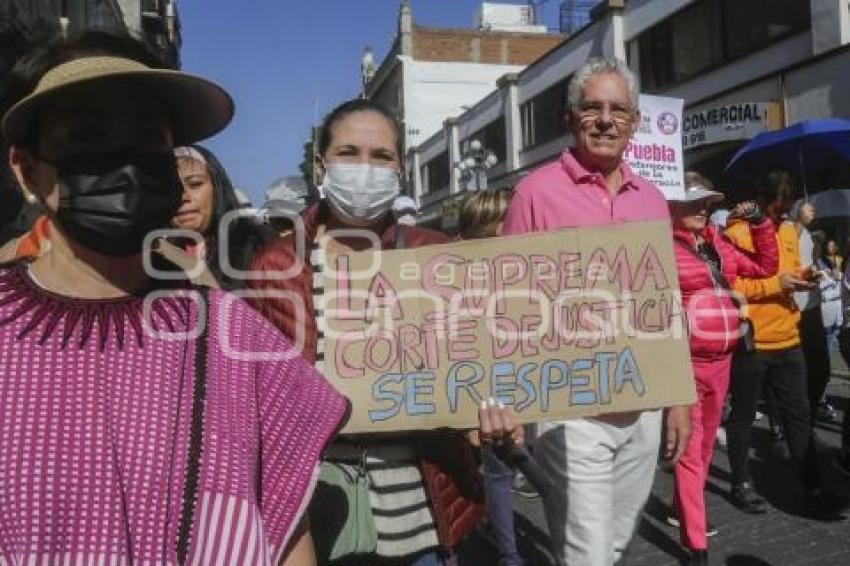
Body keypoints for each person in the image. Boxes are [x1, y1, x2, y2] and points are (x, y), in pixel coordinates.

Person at [0, 33, 348, 565]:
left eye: (147, 139)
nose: (125, 162)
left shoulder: (234, 336)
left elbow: (285, 531)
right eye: (87, 139)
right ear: (26, 170)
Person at [251, 98, 484, 565]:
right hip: (322, 510)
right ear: (321, 163)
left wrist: (489, 414)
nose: (365, 168)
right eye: (348, 153)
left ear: (401, 166)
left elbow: (473, 363)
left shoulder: (436, 254)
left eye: (381, 156)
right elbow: (258, 393)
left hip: (422, 508)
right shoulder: (275, 264)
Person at [500, 57, 691, 566]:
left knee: (613, 543)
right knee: (588, 553)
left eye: (619, 110)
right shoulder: (535, 193)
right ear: (571, 118)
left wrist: (677, 398)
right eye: (593, 107)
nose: (606, 119)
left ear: (634, 123)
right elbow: (505, 303)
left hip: (644, 402)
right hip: (570, 407)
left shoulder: (652, 199)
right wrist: (512, 403)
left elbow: (663, 302)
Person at [667, 173, 778, 565]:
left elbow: (766, 267)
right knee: (689, 450)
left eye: (706, 202)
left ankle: (686, 510)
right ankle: (696, 542)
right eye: (693, 202)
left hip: (723, 361)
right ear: (671, 206)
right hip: (686, 363)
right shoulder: (661, 250)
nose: (702, 208)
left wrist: (761, 224)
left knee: (705, 444)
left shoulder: (720, 243)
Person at [724, 172, 839, 518]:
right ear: (759, 202)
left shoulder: (789, 229)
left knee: (799, 415)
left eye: (787, 211)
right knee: (743, 416)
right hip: (752, 341)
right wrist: (777, 284)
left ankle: (812, 483)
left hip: (789, 339)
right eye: (776, 211)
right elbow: (732, 286)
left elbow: (791, 271)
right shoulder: (735, 233)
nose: (782, 218)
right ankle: (741, 482)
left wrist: (807, 277)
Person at [171, 144, 280, 290]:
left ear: (218, 188)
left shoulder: (256, 244)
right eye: (172, 188)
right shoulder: (152, 257)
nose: (183, 197)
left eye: (195, 184)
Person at [792, 202, 832, 418]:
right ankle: (794, 424)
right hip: (797, 309)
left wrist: (815, 256)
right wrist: (799, 222)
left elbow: (808, 264)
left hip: (813, 306)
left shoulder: (807, 233)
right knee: (801, 373)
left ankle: (808, 413)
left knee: (822, 370)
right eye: (807, 207)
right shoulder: (790, 227)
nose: (813, 210)